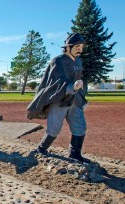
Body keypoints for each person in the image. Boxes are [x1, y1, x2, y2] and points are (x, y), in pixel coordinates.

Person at [27, 32, 90, 163]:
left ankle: (74, 153)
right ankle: (41, 148)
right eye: (77, 46)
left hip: (74, 100)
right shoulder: (58, 60)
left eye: (81, 47)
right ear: (68, 46)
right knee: (54, 129)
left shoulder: (78, 61)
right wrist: (71, 86)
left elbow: (78, 80)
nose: (80, 49)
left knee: (80, 126)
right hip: (59, 99)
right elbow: (55, 81)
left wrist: (81, 95)